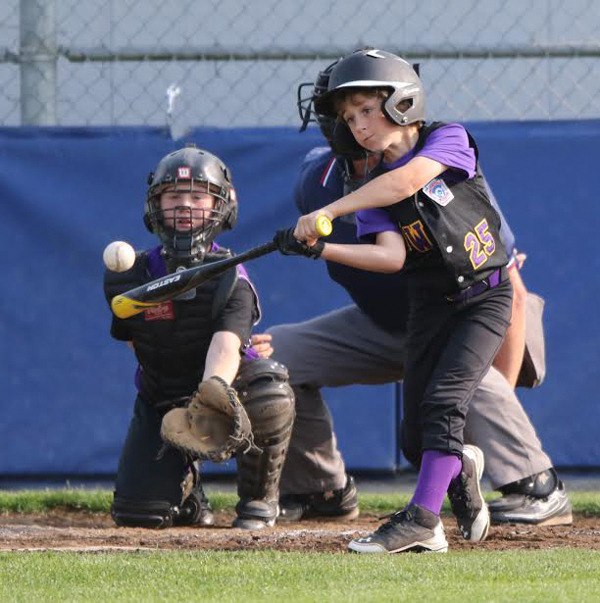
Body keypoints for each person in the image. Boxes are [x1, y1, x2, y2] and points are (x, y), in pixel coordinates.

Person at [253, 58, 571, 531]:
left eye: (365, 109)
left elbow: (510, 288)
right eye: (346, 116)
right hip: (391, 323)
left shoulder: (443, 147)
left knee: (459, 388)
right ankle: (321, 488)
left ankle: (535, 486)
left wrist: (499, 400)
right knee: (270, 360)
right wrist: (319, 248)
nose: (357, 126)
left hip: (466, 313)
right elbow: (390, 257)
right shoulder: (322, 183)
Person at [103, 144, 295, 530]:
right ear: (155, 205)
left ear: (221, 206)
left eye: (197, 197)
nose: (185, 206)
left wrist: (212, 394)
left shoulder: (230, 275)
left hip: (221, 388)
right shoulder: (130, 274)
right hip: (161, 394)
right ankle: (188, 494)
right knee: (139, 515)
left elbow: (226, 343)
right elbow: (134, 341)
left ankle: (259, 501)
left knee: (268, 390)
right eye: (173, 196)